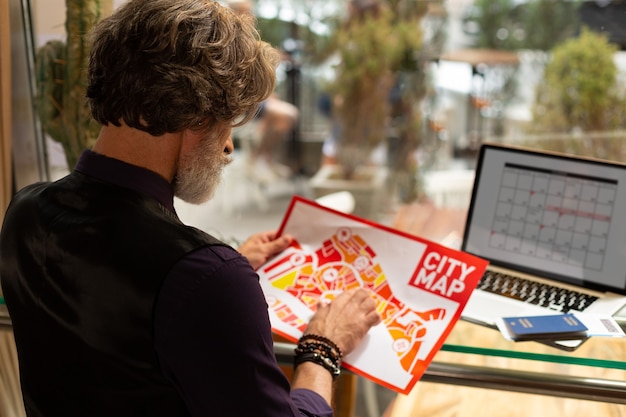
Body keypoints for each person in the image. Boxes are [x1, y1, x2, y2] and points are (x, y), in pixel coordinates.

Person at [0, 1, 381, 416]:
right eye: (228, 125)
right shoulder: (203, 279)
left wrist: (221, 268)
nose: (228, 147)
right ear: (197, 116)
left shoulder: (24, 212)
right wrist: (321, 349)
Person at [228, 0, 300, 184]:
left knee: (284, 117)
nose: (250, 17)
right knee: (288, 115)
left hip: (252, 100)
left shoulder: (243, 38)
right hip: (242, 103)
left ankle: (263, 158)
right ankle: (257, 158)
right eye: (246, 12)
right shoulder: (230, 41)